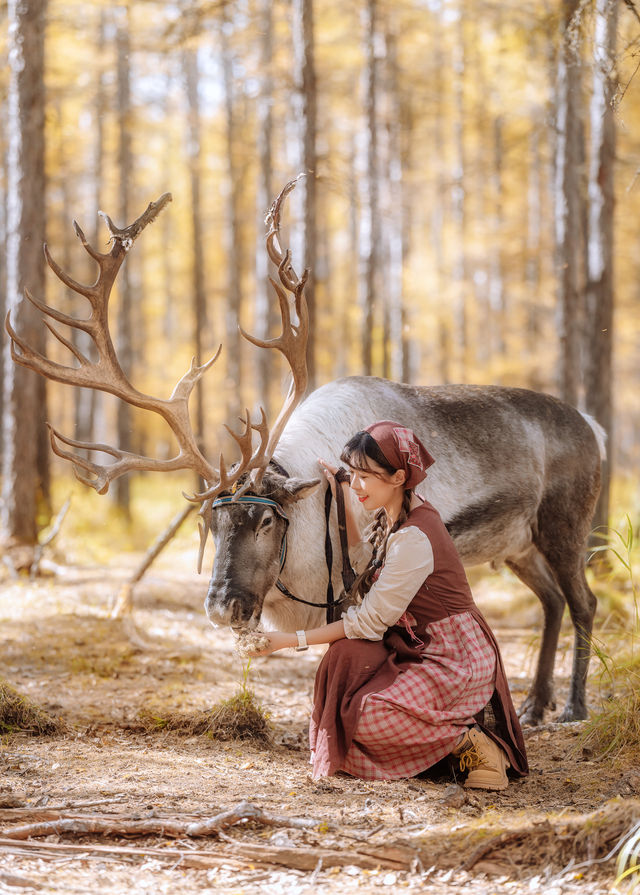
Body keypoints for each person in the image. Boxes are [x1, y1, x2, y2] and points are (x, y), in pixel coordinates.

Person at [245, 421, 528, 789]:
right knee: (342, 663)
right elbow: (363, 542)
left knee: (364, 719)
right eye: (355, 474)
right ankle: (437, 745)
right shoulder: (394, 513)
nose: (359, 484)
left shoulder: (414, 538)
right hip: (416, 644)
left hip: (453, 658)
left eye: (366, 476)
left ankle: (469, 741)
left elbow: (368, 623)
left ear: (397, 477)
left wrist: (289, 639)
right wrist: (344, 486)